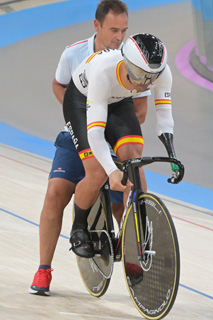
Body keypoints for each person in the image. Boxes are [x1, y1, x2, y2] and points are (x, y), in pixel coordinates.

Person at [29, 0, 149, 296]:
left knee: (130, 185)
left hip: (111, 133)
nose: (119, 37)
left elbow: (141, 109)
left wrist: (112, 131)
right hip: (79, 132)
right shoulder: (74, 53)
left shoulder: (133, 57)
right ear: (97, 26)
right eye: (113, 30)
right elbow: (59, 86)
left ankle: (134, 249)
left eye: (124, 30)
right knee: (56, 192)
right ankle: (44, 269)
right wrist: (79, 119)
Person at [66, 33, 177, 278]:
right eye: (140, 75)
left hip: (119, 100)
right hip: (83, 99)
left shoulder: (160, 72)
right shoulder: (103, 71)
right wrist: (111, 170)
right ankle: (79, 226)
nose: (146, 84)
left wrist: (173, 156)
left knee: (134, 163)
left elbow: (164, 118)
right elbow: (95, 133)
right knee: (96, 172)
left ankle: (135, 238)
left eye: (152, 77)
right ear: (127, 64)